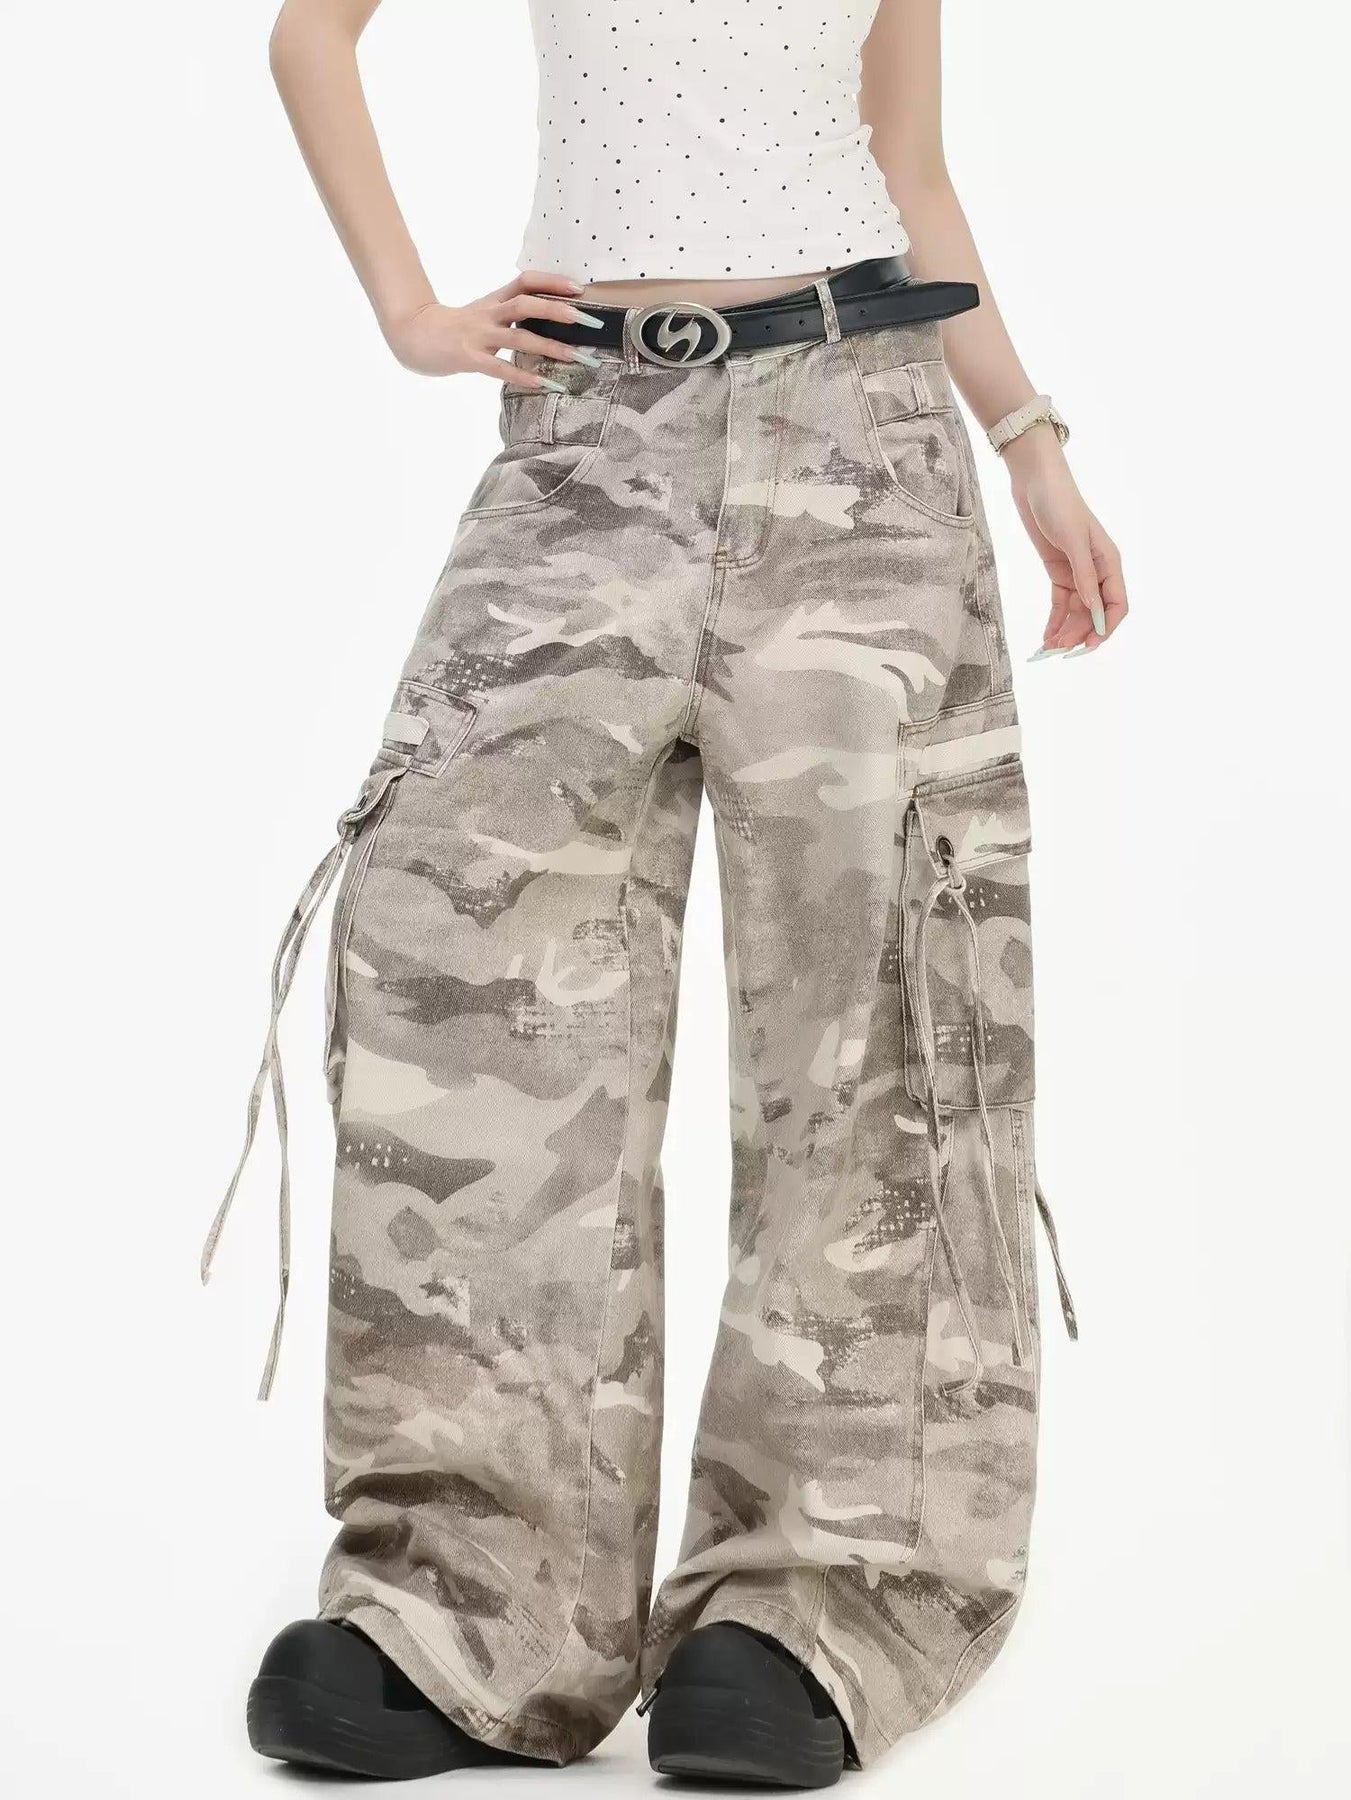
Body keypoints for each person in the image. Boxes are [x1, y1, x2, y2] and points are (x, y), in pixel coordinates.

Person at [204, 0, 1126, 1786]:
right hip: (585, 436)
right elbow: (314, 34)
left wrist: (1030, 438)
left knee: (874, 1012)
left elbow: (909, 165)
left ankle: (820, 1602)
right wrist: (412, 314)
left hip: (863, 429)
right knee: (470, 978)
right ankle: (471, 1607)